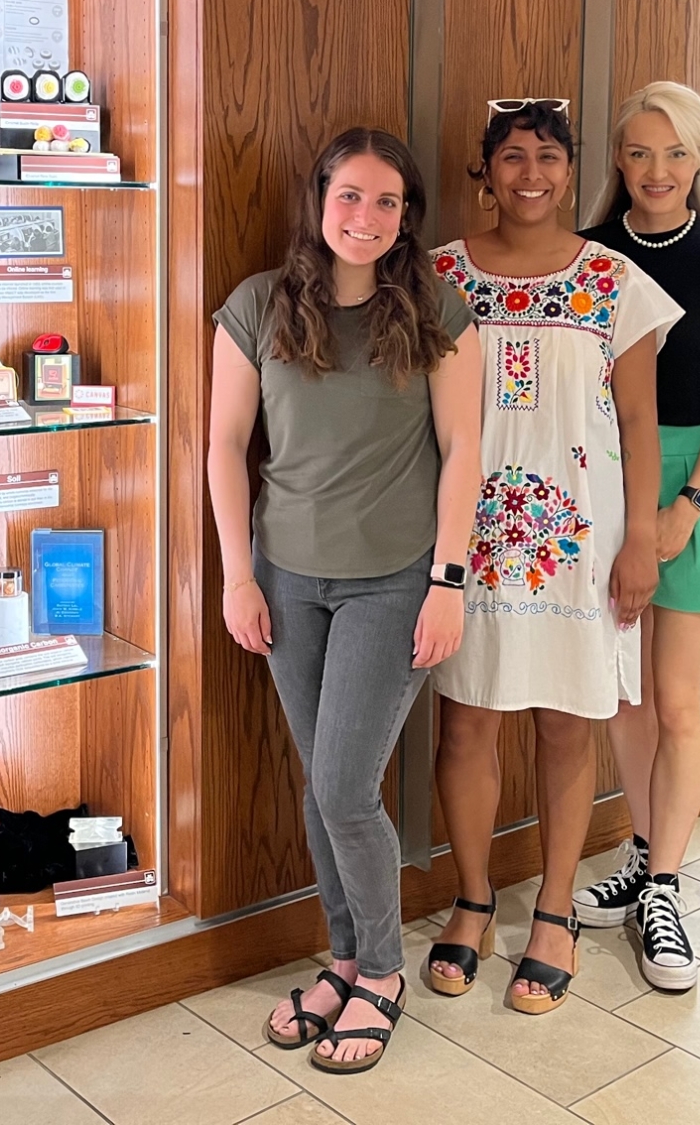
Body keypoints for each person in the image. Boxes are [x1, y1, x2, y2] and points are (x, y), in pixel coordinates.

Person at [208, 127, 483, 1073]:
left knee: (342, 788)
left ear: (407, 218)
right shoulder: (256, 306)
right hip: (285, 576)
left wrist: (448, 583)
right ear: (319, 199)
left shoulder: (439, 308)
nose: (364, 218)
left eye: (387, 202)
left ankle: (384, 972)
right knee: (320, 785)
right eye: (350, 197)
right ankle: (344, 957)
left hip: (395, 578)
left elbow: (465, 457)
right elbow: (223, 448)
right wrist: (238, 576)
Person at [424, 99, 679, 1015]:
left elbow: (643, 420)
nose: (530, 173)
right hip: (471, 536)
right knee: (466, 722)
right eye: (512, 156)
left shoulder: (613, 279)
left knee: (567, 723)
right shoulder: (439, 275)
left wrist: (643, 537)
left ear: (573, 171)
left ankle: (558, 912)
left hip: (583, 536)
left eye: (548, 157)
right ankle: (472, 901)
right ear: (484, 170)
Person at [574, 83, 700, 991]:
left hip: (698, 489)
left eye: (675, 153)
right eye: (641, 153)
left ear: (699, 160)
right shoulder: (590, 255)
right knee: (624, 698)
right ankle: (645, 850)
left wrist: (687, 505)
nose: (657, 171)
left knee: (679, 701)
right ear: (620, 161)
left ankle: (666, 886)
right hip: (602, 484)